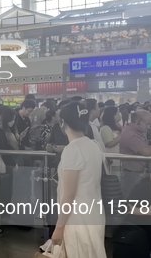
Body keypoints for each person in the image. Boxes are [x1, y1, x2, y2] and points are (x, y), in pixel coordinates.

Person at [50, 101, 106, 257]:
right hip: (94, 213)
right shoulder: (94, 145)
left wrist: (59, 228)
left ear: (63, 123)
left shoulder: (72, 150)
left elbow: (69, 195)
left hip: (76, 217)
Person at [119, 111, 151, 196]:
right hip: (132, 174)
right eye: (147, 124)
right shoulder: (130, 134)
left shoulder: (137, 131)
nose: (148, 127)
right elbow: (146, 152)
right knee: (131, 199)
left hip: (139, 172)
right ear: (137, 121)